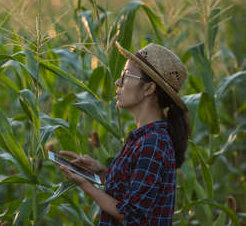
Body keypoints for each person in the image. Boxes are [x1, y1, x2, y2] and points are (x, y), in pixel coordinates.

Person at [59, 42, 190, 225]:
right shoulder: (144, 137)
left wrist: (86, 185)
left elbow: (130, 212)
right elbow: (134, 189)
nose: (118, 83)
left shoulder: (153, 143)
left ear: (149, 89)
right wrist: (101, 172)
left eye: (126, 76)